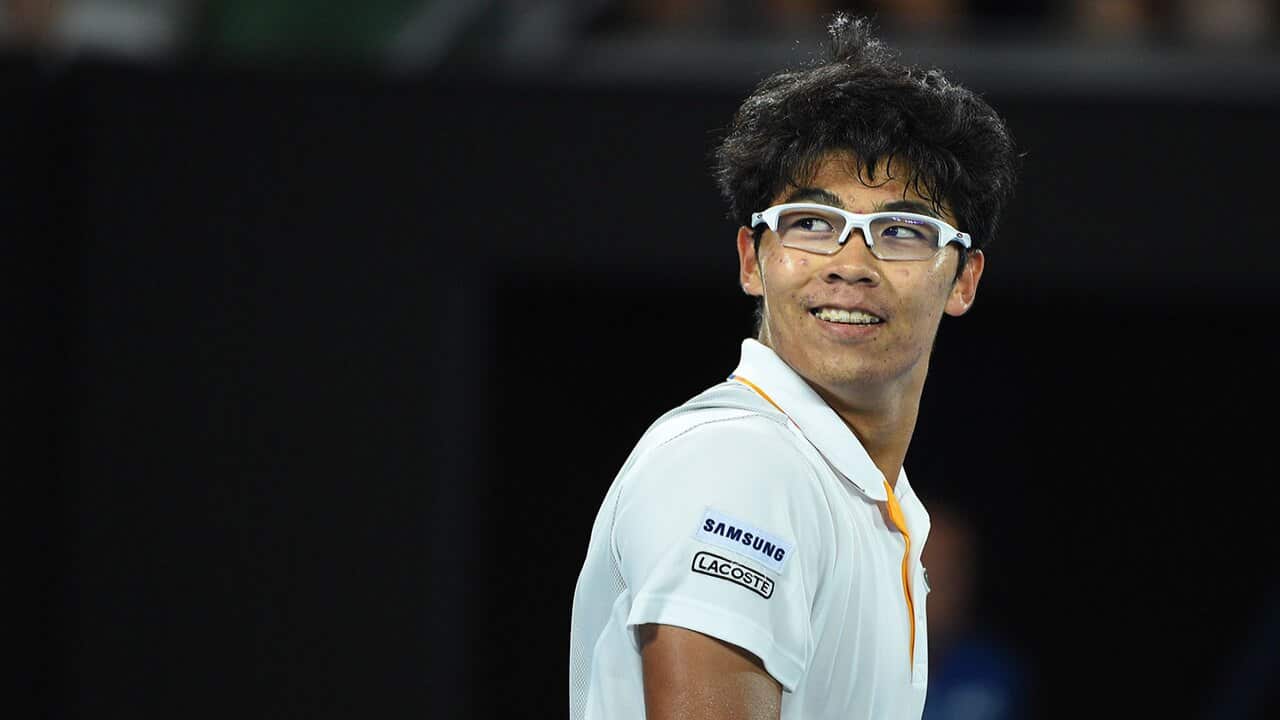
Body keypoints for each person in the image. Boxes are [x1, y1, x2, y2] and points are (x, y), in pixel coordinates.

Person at [569, 12, 1019, 720]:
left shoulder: (873, 507)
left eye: (900, 232)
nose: (850, 265)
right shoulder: (741, 462)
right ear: (753, 260)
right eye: (812, 223)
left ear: (963, 279)